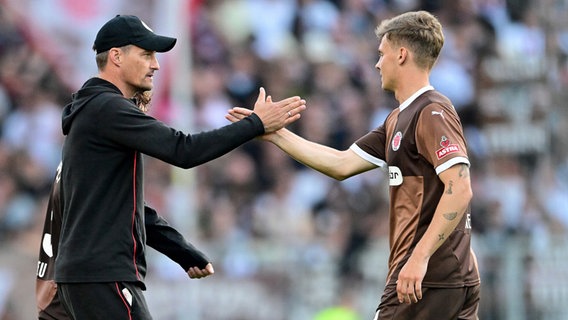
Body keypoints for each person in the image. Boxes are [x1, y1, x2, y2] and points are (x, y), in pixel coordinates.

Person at [227, 10, 480, 320]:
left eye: (382, 54)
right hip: (444, 274)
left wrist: (419, 258)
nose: (377, 64)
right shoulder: (397, 119)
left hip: (427, 276)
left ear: (402, 55)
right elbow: (342, 163)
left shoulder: (431, 112)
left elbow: (460, 188)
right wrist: (276, 135)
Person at [55, 14, 306, 319]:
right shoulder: (108, 108)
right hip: (102, 275)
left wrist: (181, 251)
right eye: (146, 54)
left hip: (88, 274)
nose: (156, 65)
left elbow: (125, 206)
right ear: (117, 57)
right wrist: (255, 123)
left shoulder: (96, 111)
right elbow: (183, 150)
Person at [37, 161, 213, 319]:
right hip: (92, 282)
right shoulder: (95, 149)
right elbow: (182, 149)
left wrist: (185, 254)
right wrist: (241, 129)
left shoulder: (77, 157)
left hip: (61, 291)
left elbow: (133, 211)